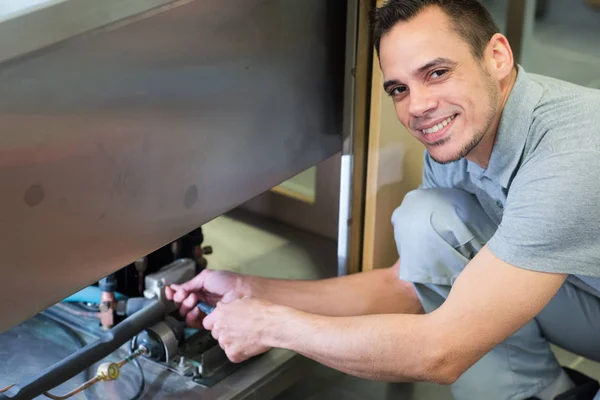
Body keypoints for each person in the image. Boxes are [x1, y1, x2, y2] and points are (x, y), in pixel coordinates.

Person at [166, 1, 600, 399]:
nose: (419, 106)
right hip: (585, 295)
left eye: (436, 73)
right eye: (399, 89)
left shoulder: (571, 152)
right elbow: (404, 287)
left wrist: (274, 326)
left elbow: (442, 352)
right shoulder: (461, 139)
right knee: (427, 221)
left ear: (498, 56)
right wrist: (250, 290)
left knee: (455, 324)